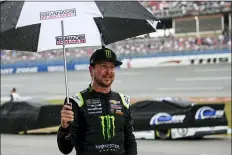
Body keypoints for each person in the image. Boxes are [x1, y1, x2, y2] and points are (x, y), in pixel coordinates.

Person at [57, 47, 137, 155]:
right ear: (91, 70)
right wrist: (64, 128)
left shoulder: (123, 100)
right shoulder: (76, 102)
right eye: (103, 66)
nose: (108, 71)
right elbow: (65, 149)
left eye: (112, 67)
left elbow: (130, 141)